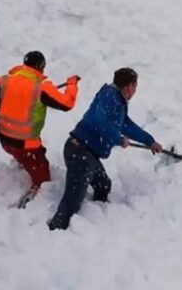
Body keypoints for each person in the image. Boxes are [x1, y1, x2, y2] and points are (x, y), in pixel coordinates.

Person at [48, 67, 163, 230]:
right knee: (72, 200)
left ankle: (96, 220)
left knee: (103, 184)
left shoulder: (118, 102)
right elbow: (103, 123)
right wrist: (118, 139)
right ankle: (56, 231)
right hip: (79, 151)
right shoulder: (109, 96)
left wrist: (149, 141)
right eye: (135, 86)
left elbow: (125, 125)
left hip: (88, 154)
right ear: (129, 86)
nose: (135, 90)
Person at [0, 51, 80, 200]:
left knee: (26, 155)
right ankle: (35, 197)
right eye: (43, 67)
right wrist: (72, 85)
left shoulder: (3, 81)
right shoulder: (41, 88)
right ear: (39, 66)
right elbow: (67, 103)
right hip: (26, 145)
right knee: (43, 177)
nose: (44, 70)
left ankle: (23, 163)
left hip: (5, 140)